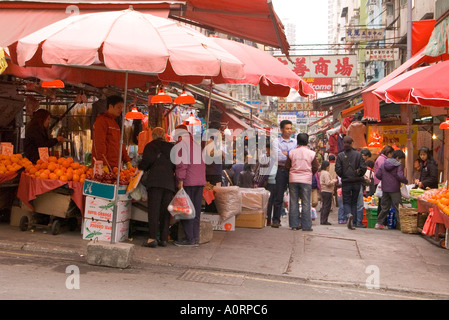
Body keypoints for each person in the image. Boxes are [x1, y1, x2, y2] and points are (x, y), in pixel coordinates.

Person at [138, 127, 175, 248]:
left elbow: (145, 163)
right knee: (165, 211)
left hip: (155, 182)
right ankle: (164, 239)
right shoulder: (171, 147)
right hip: (169, 183)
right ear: (164, 135)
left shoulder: (150, 146)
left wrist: (139, 170)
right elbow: (176, 165)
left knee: (154, 210)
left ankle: (152, 238)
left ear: (153, 136)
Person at [173, 124, 206, 246]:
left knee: (186, 211)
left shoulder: (181, 145)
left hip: (188, 182)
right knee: (196, 211)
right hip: (199, 182)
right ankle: (195, 238)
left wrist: (180, 180)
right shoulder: (197, 145)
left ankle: (189, 239)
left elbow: (182, 164)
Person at [286, 133, 319, 231]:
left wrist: (293, 172)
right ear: (307, 141)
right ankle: (306, 226)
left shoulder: (292, 152)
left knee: (293, 202)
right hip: (306, 180)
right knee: (306, 202)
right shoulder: (311, 153)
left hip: (293, 179)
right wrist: (309, 174)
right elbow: (315, 167)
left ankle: (294, 225)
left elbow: (287, 166)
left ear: (297, 141)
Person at [335, 136, 367, 230]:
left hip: (346, 182)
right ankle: (355, 222)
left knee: (347, 201)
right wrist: (358, 174)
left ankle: (348, 215)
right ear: (352, 143)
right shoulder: (358, 155)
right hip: (356, 181)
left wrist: (344, 175)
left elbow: (338, 169)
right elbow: (363, 167)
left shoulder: (340, 156)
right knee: (354, 202)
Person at [92, 95, 132, 169]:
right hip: (105, 166)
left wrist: (127, 160)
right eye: (118, 107)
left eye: (122, 107)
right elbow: (99, 144)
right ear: (110, 106)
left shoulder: (115, 124)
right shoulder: (101, 122)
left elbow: (120, 144)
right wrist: (103, 164)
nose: (121, 110)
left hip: (115, 166)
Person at [272, 120, 297, 228]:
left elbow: (295, 157)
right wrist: (290, 155)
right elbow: (278, 157)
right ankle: (276, 220)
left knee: (294, 197)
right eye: (287, 128)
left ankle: (294, 222)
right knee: (278, 196)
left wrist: (286, 154)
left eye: (290, 128)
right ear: (281, 129)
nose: (289, 131)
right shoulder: (275, 142)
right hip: (281, 170)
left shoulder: (295, 142)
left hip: (292, 171)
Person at [375, 150, 408, 230]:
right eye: (401, 159)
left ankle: (379, 223)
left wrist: (384, 179)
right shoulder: (398, 165)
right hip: (394, 189)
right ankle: (402, 225)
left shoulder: (383, 164)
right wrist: (405, 181)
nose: (401, 161)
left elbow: (378, 175)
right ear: (397, 158)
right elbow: (400, 176)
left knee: (385, 207)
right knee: (398, 207)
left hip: (385, 189)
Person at [204, 121, 223, 213]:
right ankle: (211, 213)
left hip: (210, 171)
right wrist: (221, 153)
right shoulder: (211, 139)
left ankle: (210, 212)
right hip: (213, 172)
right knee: (213, 194)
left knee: (210, 194)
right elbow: (211, 153)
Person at [373, 145, 394, 215]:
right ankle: (381, 221)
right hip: (380, 183)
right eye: (391, 154)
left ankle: (380, 221)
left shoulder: (382, 159)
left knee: (381, 203)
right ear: (388, 153)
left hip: (381, 182)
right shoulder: (381, 159)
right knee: (383, 203)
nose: (391, 156)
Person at [355, 148, 372, 228]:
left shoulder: (354, 160)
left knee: (354, 203)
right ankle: (358, 222)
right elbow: (359, 174)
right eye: (366, 157)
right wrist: (364, 179)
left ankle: (355, 221)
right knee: (359, 204)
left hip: (353, 183)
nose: (366, 159)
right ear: (363, 155)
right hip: (358, 184)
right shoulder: (360, 162)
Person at [319, 160, 337, 225]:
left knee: (324, 205)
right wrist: (334, 181)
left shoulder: (322, 173)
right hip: (327, 191)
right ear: (327, 166)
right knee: (327, 206)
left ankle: (322, 220)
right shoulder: (326, 173)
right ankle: (324, 220)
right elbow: (328, 183)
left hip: (324, 190)